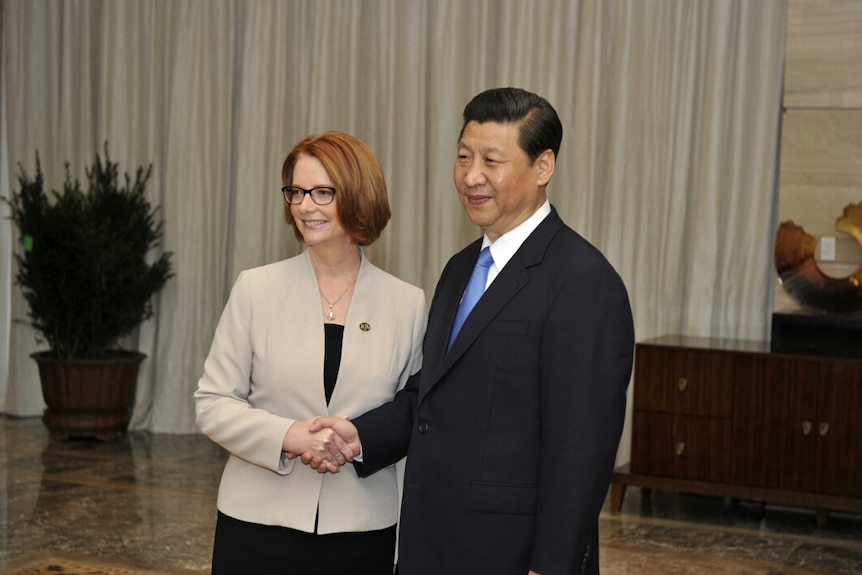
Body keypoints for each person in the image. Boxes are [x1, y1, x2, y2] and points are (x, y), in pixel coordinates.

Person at [304, 88, 635, 575]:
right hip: (430, 542)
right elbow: (432, 394)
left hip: (509, 553)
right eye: (463, 157)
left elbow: (579, 451)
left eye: (491, 160)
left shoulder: (583, 282)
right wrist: (360, 437)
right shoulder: (461, 267)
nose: (471, 176)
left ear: (543, 167)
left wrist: (551, 566)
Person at [194, 131, 426, 575]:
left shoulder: (407, 302)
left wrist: (355, 441)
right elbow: (212, 404)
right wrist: (292, 436)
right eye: (296, 192)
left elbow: (411, 412)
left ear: (358, 195)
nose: (304, 206)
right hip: (257, 523)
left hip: (363, 528)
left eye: (322, 192)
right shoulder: (255, 289)